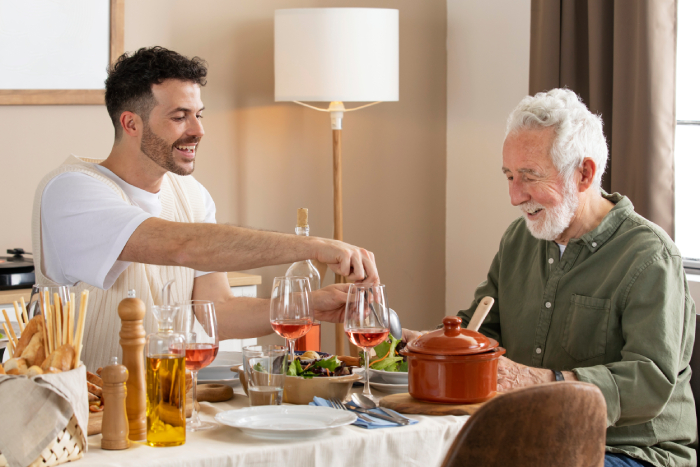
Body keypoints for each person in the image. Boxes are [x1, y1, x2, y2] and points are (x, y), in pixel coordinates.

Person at [32, 47, 379, 371]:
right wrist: (314, 246)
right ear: (131, 123)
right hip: (88, 413)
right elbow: (184, 246)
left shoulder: (191, 194)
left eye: (198, 115)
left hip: (170, 402)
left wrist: (311, 305)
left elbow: (220, 312)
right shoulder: (70, 189)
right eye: (180, 117)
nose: (198, 130)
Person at [406, 89, 696, 467]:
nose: (514, 196)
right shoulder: (519, 239)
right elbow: (482, 331)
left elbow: (648, 384)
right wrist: (428, 348)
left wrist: (533, 381)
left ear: (584, 174)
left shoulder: (649, 257)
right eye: (509, 176)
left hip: (630, 451)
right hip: (532, 440)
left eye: (529, 176)